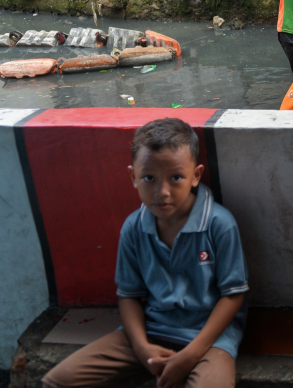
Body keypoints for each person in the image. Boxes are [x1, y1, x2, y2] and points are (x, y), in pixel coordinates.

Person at [43, 118, 248, 388]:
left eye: (176, 177)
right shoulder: (134, 228)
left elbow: (233, 295)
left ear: (196, 175)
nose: (162, 192)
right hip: (152, 330)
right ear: (133, 177)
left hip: (210, 340)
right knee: (57, 382)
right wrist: (141, 348)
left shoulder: (218, 224)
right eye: (149, 178)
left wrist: (190, 356)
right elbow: (128, 295)